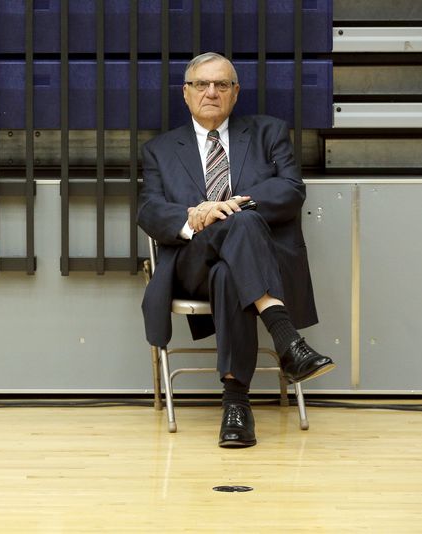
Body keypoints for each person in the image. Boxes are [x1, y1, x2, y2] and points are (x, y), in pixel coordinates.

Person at [137, 52, 334, 448]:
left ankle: (236, 406)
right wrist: (195, 217)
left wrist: (232, 204)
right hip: (192, 263)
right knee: (236, 228)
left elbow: (291, 190)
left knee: (230, 267)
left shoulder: (268, 133)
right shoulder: (159, 150)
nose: (212, 92)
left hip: (246, 267)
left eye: (222, 84)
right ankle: (286, 339)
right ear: (186, 93)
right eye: (202, 84)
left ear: (235, 92)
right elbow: (149, 208)